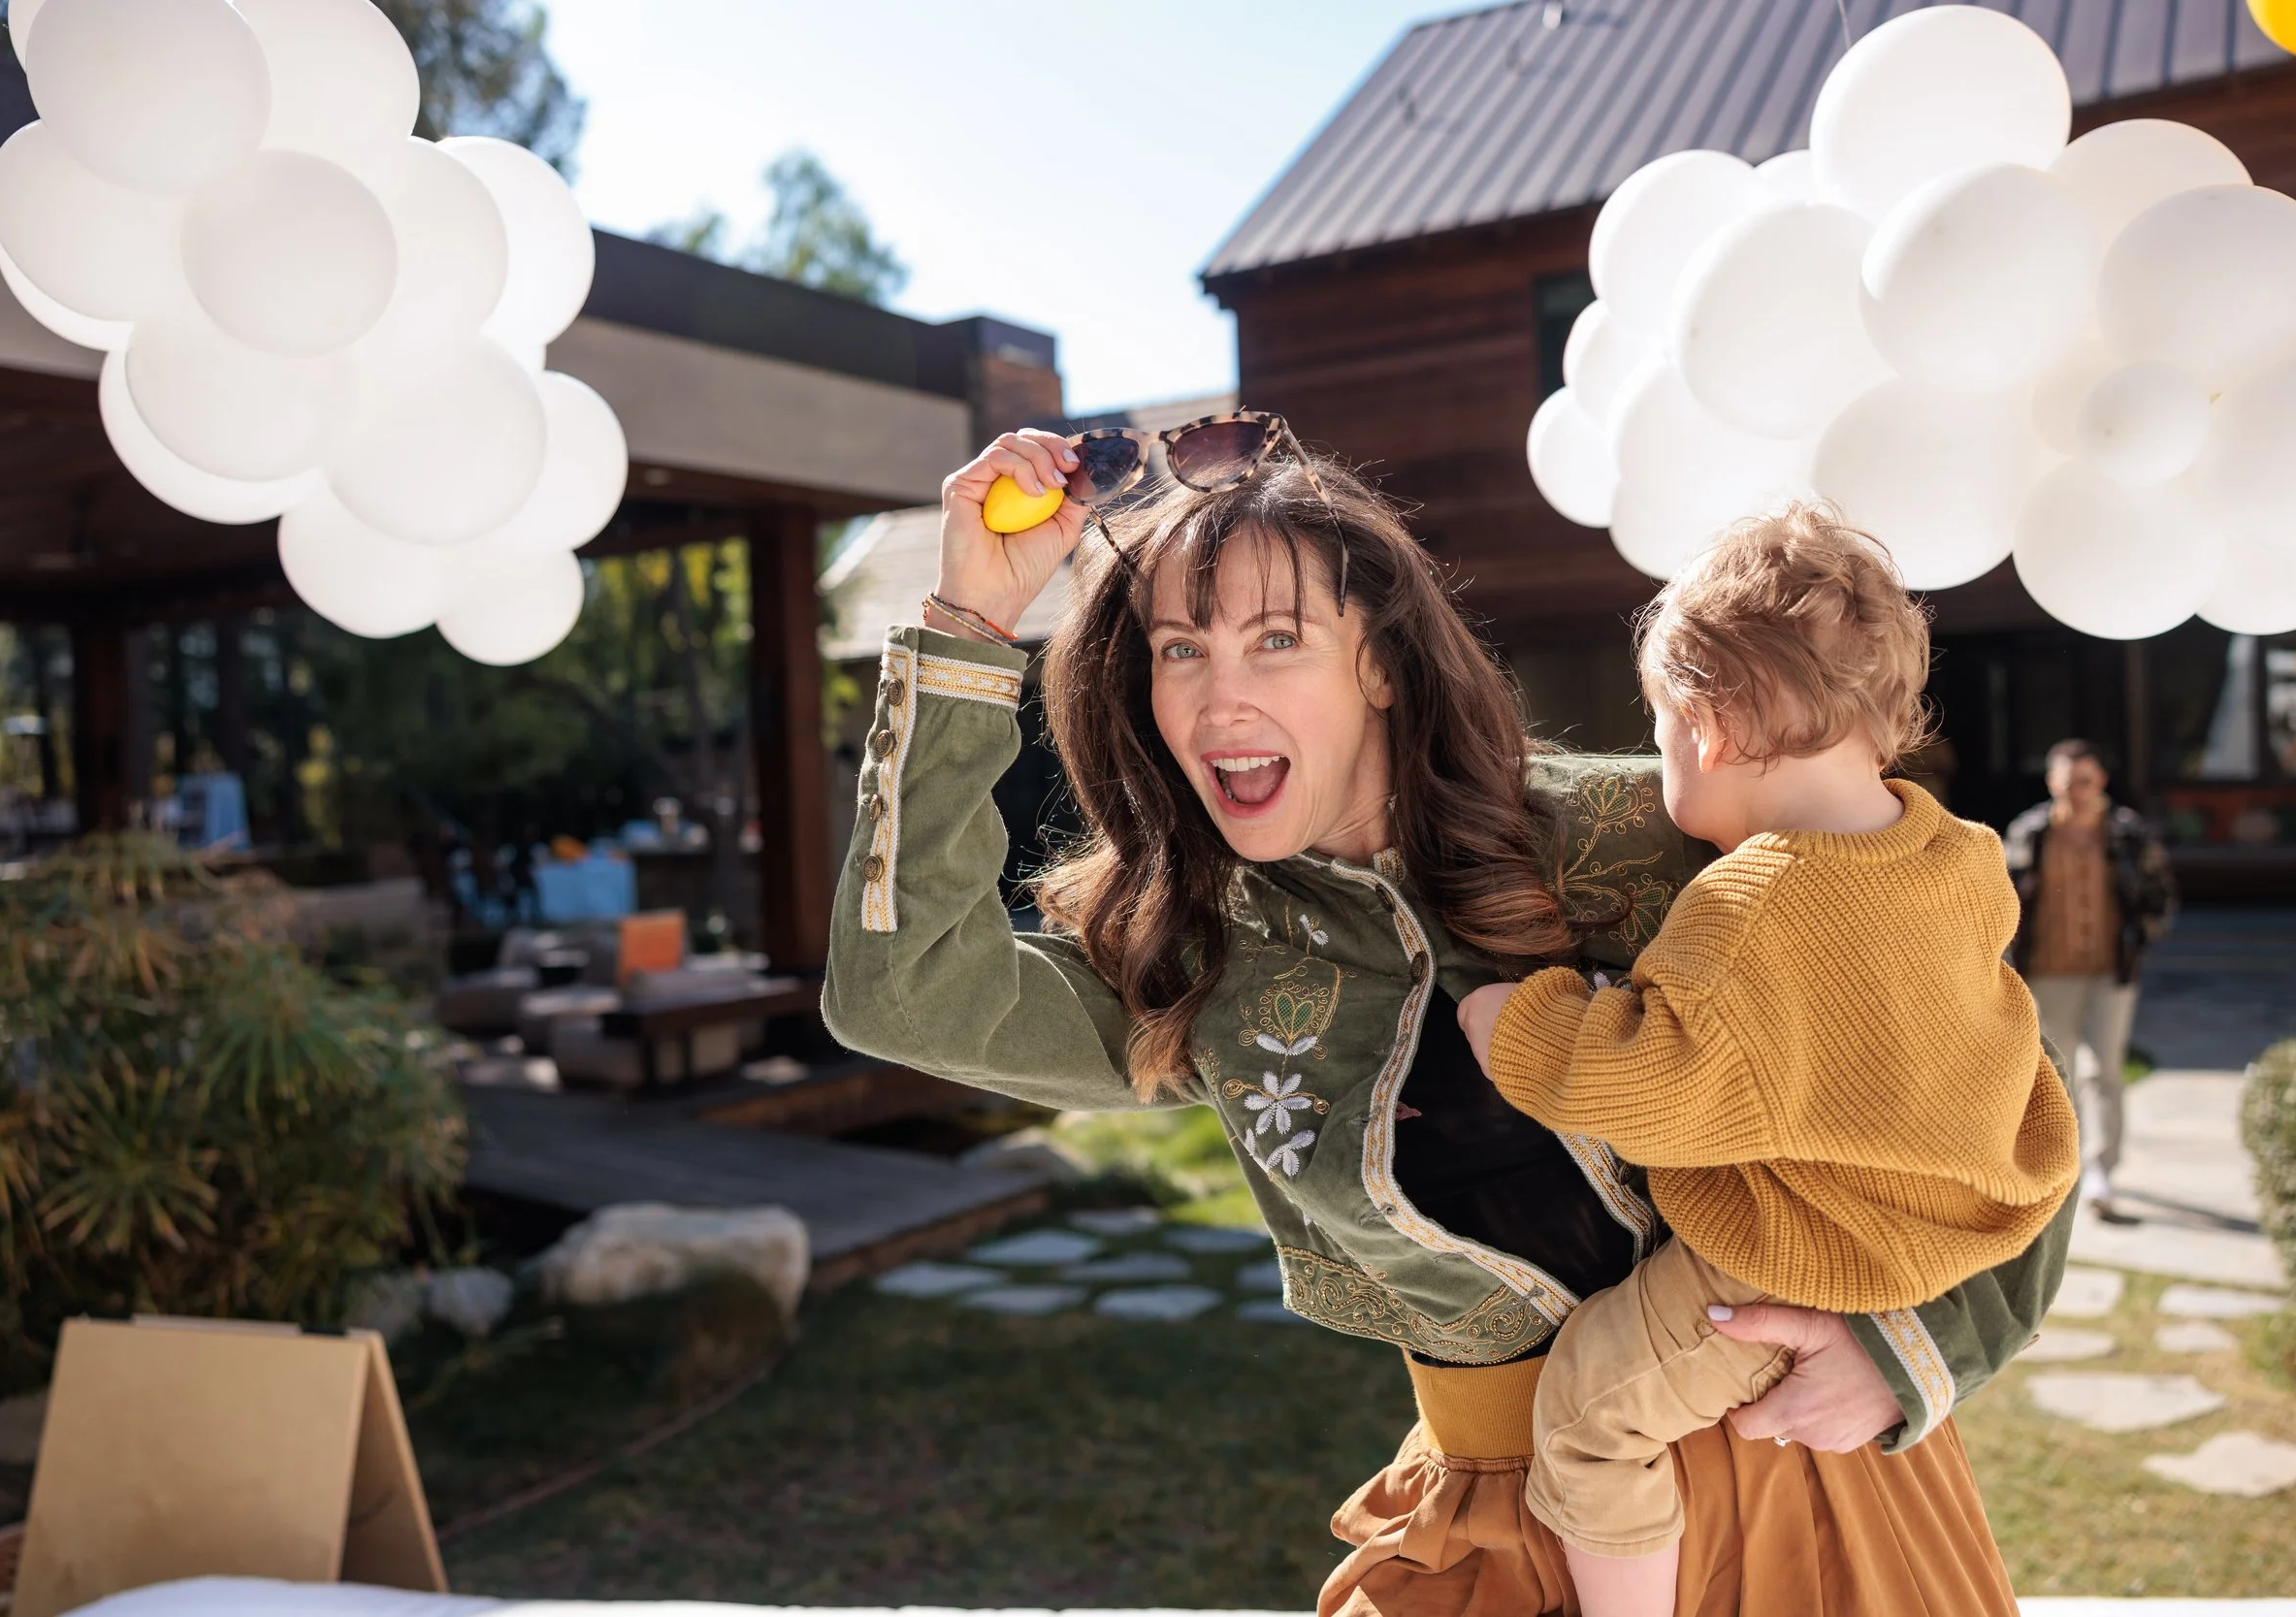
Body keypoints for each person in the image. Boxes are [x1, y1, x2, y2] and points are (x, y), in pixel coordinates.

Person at [823, 426, 2076, 1617]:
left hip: (1810, 1480)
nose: (1217, 698)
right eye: (1179, 649)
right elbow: (901, 988)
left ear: (1377, 659)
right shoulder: (1196, 967)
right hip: (1485, 1517)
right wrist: (969, 622)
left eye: (1274, 639)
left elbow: (1983, 1079)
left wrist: (1924, 1345)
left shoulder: (1655, 838)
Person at [1454, 509, 2077, 1617]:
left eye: (1655, 730)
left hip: (1800, 1253)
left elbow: (1652, 1092)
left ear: (1710, 724)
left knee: (1592, 1416)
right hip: (1945, 1233)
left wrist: (1517, 1019)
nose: (1656, 760)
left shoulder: (1745, 904)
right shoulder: (1957, 854)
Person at [2004, 738, 2177, 1226]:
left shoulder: (2125, 833)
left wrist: (2141, 938)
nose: (2075, 792)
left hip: (2109, 971)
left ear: (2099, 780)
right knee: (2058, 1077)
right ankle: (2063, 1169)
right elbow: (2003, 897)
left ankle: (2103, 1171)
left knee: (2106, 1070)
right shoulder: (2029, 833)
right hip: (2048, 972)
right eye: (2066, 783)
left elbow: (2160, 893)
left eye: (2084, 781)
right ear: (2051, 783)